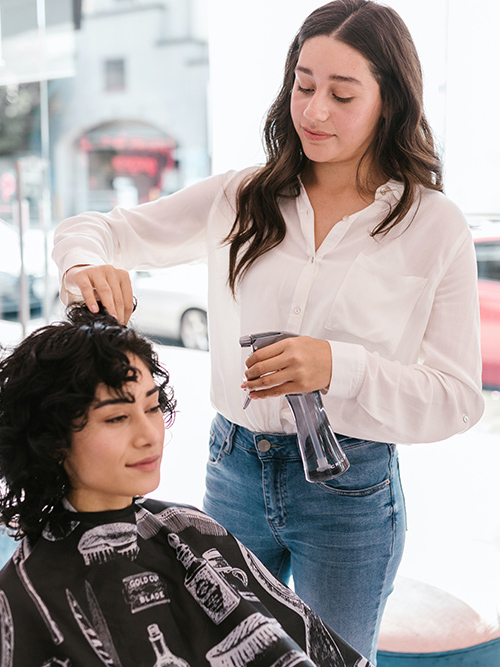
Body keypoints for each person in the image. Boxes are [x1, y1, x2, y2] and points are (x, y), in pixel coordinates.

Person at [51, 0, 485, 661]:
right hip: (234, 469)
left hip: (350, 490)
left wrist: (338, 366)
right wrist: (85, 263)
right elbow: (100, 229)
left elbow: (458, 397)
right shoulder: (240, 197)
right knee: (219, 653)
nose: (312, 111)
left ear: (390, 102)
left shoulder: (433, 225)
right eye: (303, 85)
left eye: (342, 94)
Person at [0, 304, 371, 667]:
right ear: (51, 440)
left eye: (151, 407)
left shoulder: (187, 528)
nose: (149, 436)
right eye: (116, 418)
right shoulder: (24, 595)